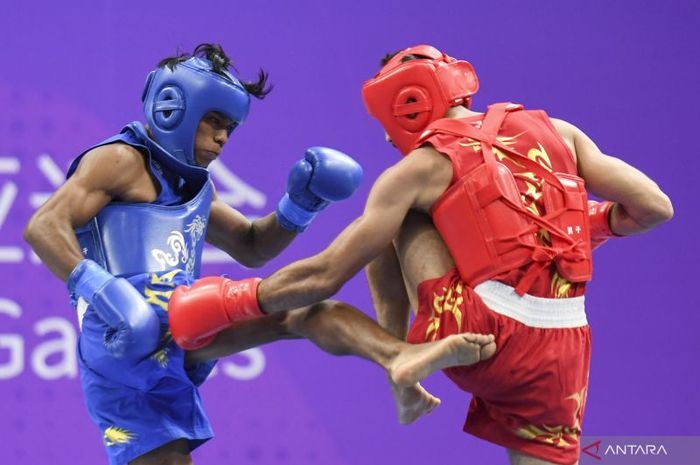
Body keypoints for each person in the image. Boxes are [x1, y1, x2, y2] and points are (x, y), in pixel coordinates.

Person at [168, 45, 674, 465]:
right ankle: (403, 360)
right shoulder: (560, 132)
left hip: (476, 330)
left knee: (398, 215)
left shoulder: (420, 168)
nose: (389, 136)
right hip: (566, 348)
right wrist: (565, 229)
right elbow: (652, 208)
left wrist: (232, 300)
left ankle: (399, 355)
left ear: (409, 103)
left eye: (387, 122)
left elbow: (324, 276)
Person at [22, 43, 367, 465]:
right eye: (214, 121)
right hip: (121, 339)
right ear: (173, 108)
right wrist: (104, 291)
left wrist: (299, 206)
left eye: (231, 127)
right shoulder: (118, 159)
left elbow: (253, 246)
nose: (223, 137)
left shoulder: (197, 185)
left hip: (176, 326)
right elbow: (43, 225)